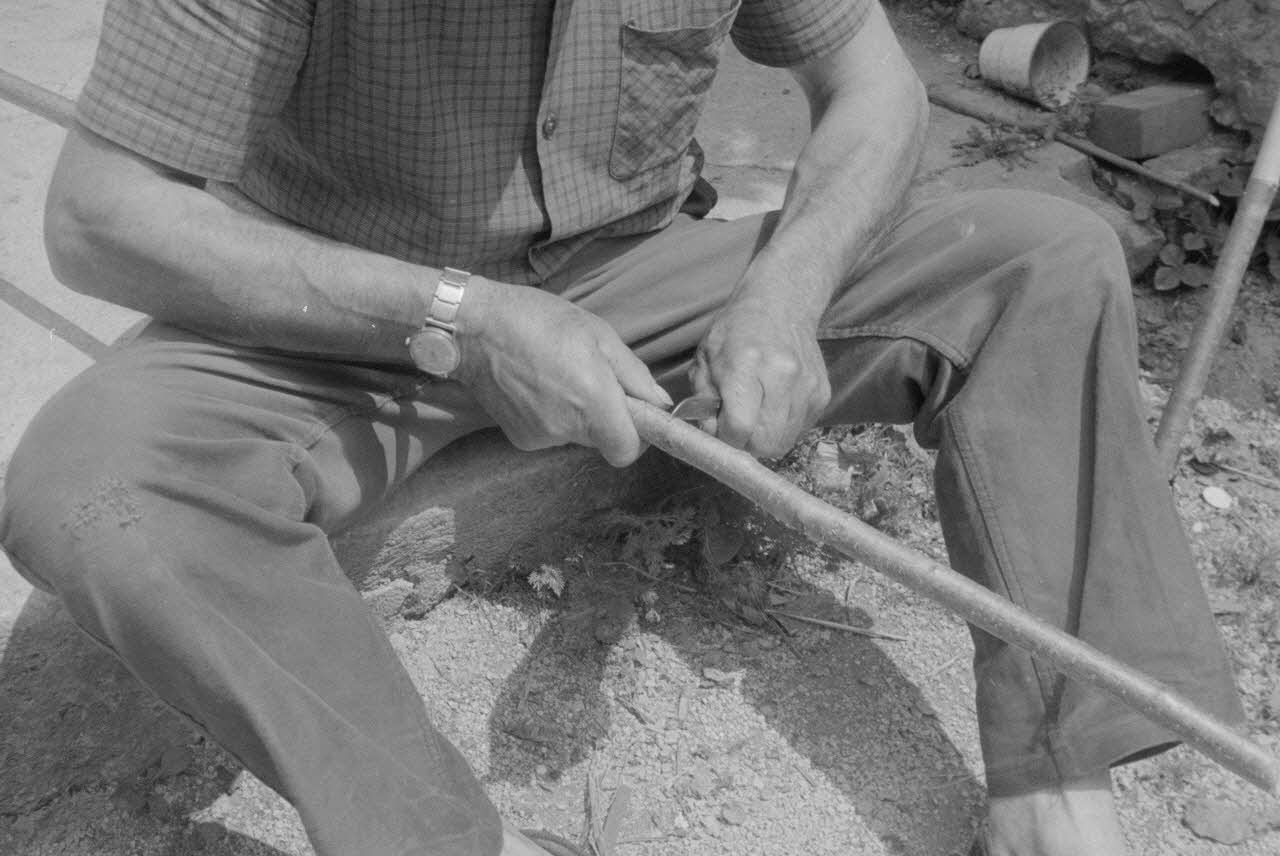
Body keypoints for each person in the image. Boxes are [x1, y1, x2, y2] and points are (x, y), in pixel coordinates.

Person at [0, 0, 1243, 854]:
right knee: (95, 485)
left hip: (641, 271)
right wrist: (463, 315)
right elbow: (101, 214)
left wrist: (784, 291)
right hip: (346, 311)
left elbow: (870, 80)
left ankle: (1056, 779)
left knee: (1041, 254)